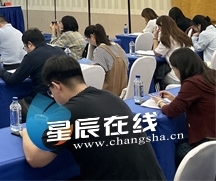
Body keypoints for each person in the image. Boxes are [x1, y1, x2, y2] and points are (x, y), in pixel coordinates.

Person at [22, 55, 165, 180]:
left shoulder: (68, 113)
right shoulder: (111, 97)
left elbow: (35, 159)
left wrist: (27, 132)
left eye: (50, 91)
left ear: (56, 86)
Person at [149, 47, 216, 164]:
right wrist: (174, 99)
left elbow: (171, 111)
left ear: (180, 68)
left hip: (208, 140)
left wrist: (159, 102)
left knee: (178, 149)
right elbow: (200, 102)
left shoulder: (192, 83)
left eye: (174, 68)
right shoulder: (212, 75)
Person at [0, 27, 64, 120]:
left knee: (16, 105)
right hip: (61, 100)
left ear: (29, 44)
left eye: (25, 47)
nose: (25, 49)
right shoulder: (59, 51)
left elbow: (12, 80)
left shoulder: (31, 57)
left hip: (41, 103)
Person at [83, 24, 129, 95]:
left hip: (108, 93)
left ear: (92, 37)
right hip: (123, 92)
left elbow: (97, 73)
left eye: (87, 39)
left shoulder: (100, 50)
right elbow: (127, 64)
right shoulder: (118, 46)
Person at [153, 15, 193, 88]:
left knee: (157, 75)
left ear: (161, 27)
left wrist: (155, 38)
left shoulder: (167, 38)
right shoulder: (182, 36)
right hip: (189, 74)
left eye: (159, 27)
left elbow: (157, 53)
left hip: (177, 76)